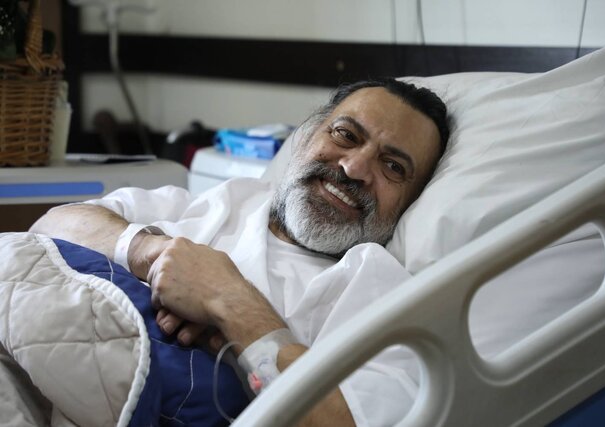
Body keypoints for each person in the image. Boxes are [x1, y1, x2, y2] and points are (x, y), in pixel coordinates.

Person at [30, 77, 449, 426]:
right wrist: (153, 254)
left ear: (411, 201)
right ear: (307, 135)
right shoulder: (218, 203)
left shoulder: (380, 294)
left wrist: (229, 302)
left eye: (393, 167)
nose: (354, 168)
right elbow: (50, 226)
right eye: (346, 135)